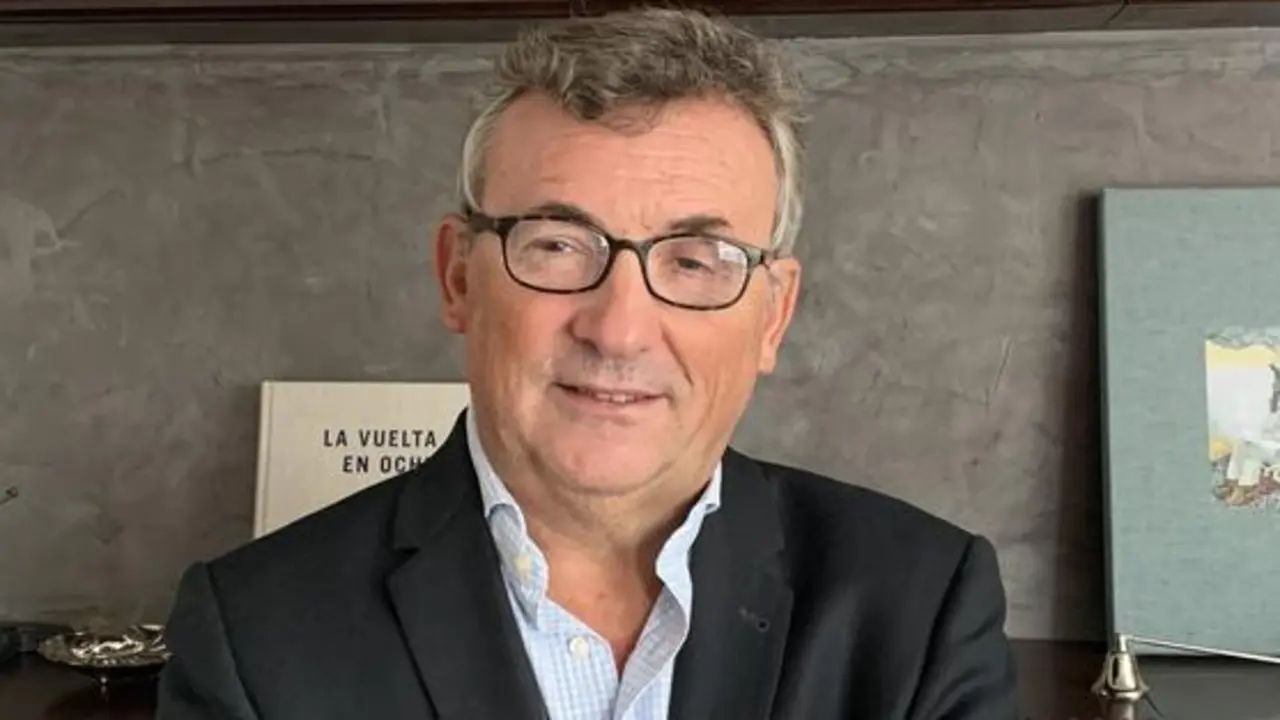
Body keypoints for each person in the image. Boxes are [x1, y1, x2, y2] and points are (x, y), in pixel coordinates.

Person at [156, 7, 1019, 719]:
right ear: (459, 279)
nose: (619, 329)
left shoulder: (922, 607)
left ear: (773, 315)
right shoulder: (254, 633)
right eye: (558, 244)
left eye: (695, 260)